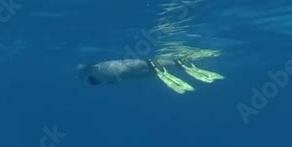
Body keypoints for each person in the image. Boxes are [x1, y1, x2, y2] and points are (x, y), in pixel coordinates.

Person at [77, 57, 224, 94]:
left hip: (141, 74)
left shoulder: (106, 79)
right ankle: (180, 63)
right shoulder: (98, 68)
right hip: (135, 65)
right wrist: (81, 73)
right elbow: (83, 66)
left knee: (155, 70)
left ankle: (178, 65)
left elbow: (121, 78)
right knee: (154, 63)